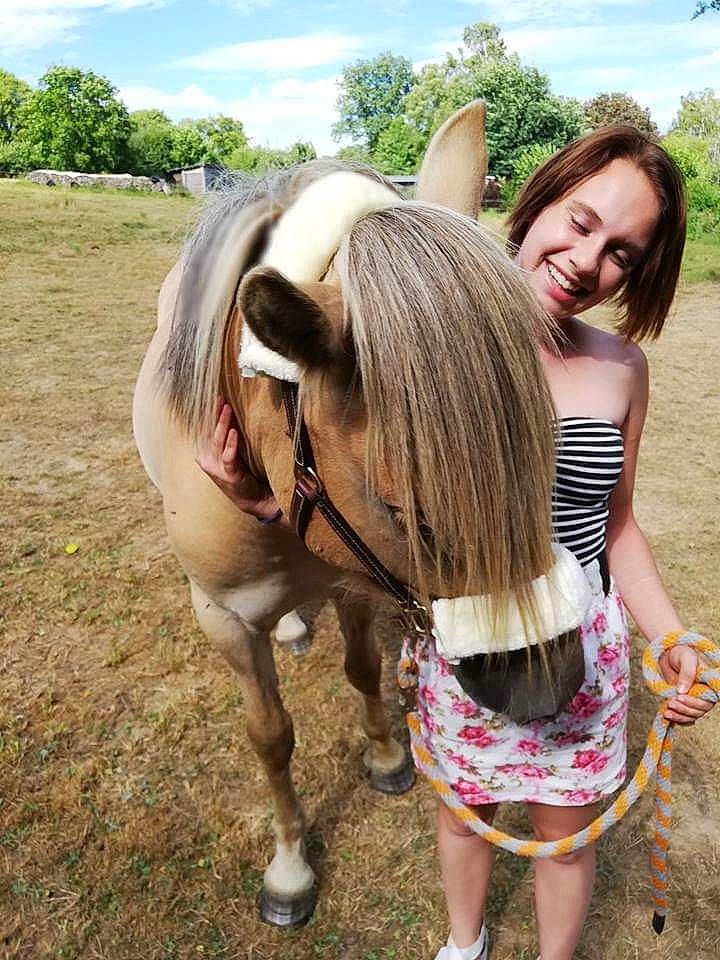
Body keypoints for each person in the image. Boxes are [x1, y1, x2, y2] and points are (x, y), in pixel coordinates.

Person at [195, 127, 715, 960]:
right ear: (538, 200)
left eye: (622, 252)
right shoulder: (429, 345)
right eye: (579, 222)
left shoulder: (622, 370)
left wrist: (673, 634)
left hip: (582, 646)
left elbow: (616, 523)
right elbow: (355, 480)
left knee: (566, 838)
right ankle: (462, 944)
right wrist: (261, 500)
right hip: (465, 637)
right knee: (465, 821)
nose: (587, 260)